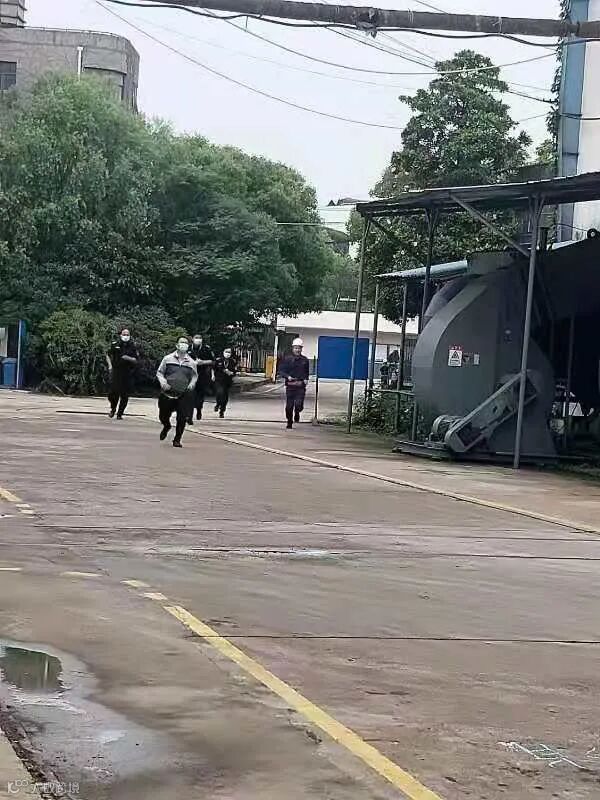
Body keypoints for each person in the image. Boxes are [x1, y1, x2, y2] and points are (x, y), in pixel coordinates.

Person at [156, 337, 198, 448]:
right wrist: (163, 382)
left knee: (182, 417)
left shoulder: (191, 362)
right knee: (163, 415)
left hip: (183, 393)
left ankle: (177, 439)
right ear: (177, 345)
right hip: (168, 392)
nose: (184, 345)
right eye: (181, 342)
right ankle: (166, 426)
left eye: (186, 343)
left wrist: (192, 384)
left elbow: (194, 376)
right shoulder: (167, 359)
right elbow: (160, 372)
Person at [106, 328, 138, 419]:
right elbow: (108, 354)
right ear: (120, 335)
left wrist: (128, 358)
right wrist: (110, 366)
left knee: (125, 395)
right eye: (124, 334)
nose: (126, 336)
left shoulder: (133, 346)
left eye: (127, 334)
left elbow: (136, 360)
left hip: (127, 372)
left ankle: (120, 414)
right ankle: (113, 408)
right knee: (112, 393)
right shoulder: (115, 344)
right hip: (116, 371)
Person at [279, 338, 310, 429]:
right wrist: (287, 376)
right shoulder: (287, 359)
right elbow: (281, 371)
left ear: (301, 349)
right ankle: (289, 421)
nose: (297, 350)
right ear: (293, 348)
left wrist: (306, 379)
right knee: (289, 407)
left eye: (299, 348)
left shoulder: (305, 360)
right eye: (296, 348)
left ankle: (297, 412)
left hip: (300, 386)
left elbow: (306, 372)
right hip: (290, 386)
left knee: (298, 405)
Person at [187, 334, 214, 424]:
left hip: (202, 375)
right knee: (190, 396)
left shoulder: (206, 349)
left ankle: (199, 409)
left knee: (200, 395)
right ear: (192, 339)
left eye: (200, 338)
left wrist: (202, 362)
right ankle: (189, 417)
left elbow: (212, 361)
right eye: (196, 338)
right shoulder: (188, 349)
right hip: (190, 375)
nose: (198, 340)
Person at [213, 348, 237, 418]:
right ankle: (218, 404)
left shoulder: (232, 361)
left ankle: (222, 411)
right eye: (226, 352)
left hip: (227, 381)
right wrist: (213, 376)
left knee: (225, 397)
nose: (227, 354)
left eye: (229, 352)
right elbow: (213, 368)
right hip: (219, 379)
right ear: (223, 352)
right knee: (219, 392)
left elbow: (234, 371)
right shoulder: (218, 360)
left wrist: (231, 373)